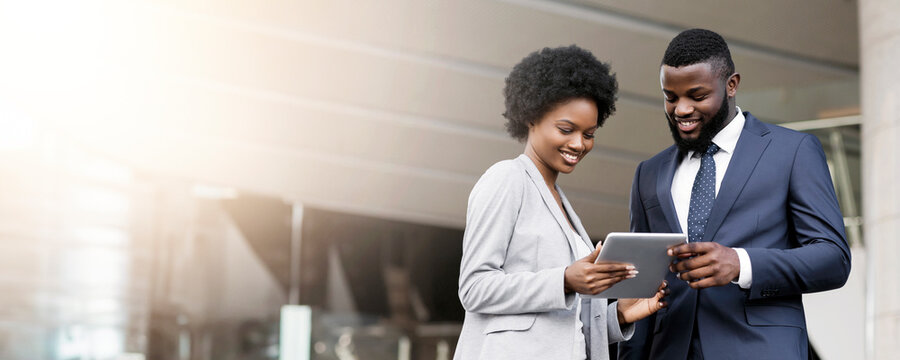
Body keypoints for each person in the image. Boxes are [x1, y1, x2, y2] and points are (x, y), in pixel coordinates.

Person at [618, 29, 852, 360]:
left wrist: (741, 263)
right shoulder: (649, 173)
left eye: (697, 96)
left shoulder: (793, 151)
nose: (681, 109)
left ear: (731, 85)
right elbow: (639, 284)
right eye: (671, 97)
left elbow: (833, 259)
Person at [454, 45, 668, 360]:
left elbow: (561, 328)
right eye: (566, 129)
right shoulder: (507, 179)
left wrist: (618, 316)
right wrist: (565, 280)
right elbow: (474, 288)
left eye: (589, 134)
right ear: (531, 118)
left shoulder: (561, 203)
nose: (578, 144)